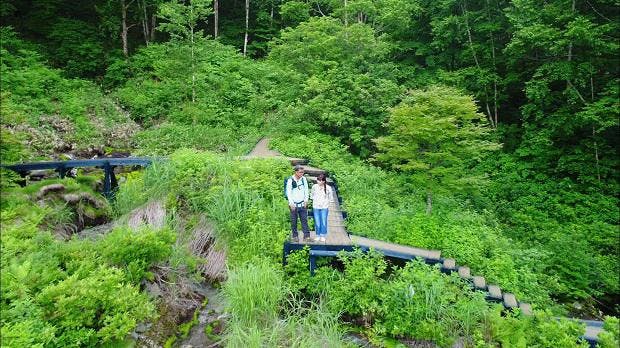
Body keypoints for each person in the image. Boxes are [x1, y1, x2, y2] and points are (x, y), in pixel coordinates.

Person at [286, 165, 310, 242]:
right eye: (300, 172)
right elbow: (288, 192)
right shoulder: (290, 180)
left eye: (303, 172)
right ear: (296, 172)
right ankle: (295, 236)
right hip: (294, 205)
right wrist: (291, 203)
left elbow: (306, 190)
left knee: (304, 220)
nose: (302, 174)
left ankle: (306, 236)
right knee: (294, 221)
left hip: (303, 204)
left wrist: (306, 200)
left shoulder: (304, 179)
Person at [311, 173, 332, 242]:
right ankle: (317, 235)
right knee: (317, 221)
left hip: (324, 207)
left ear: (324, 181)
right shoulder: (314, 186)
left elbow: (330, 198)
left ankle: (322, 235)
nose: (319, 182)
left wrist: (326, 203)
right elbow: (312, 195)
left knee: (323, 221)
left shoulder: (328, 188)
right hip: (316, 206)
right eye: (318, 180)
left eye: (320, 181)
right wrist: (315, 200)